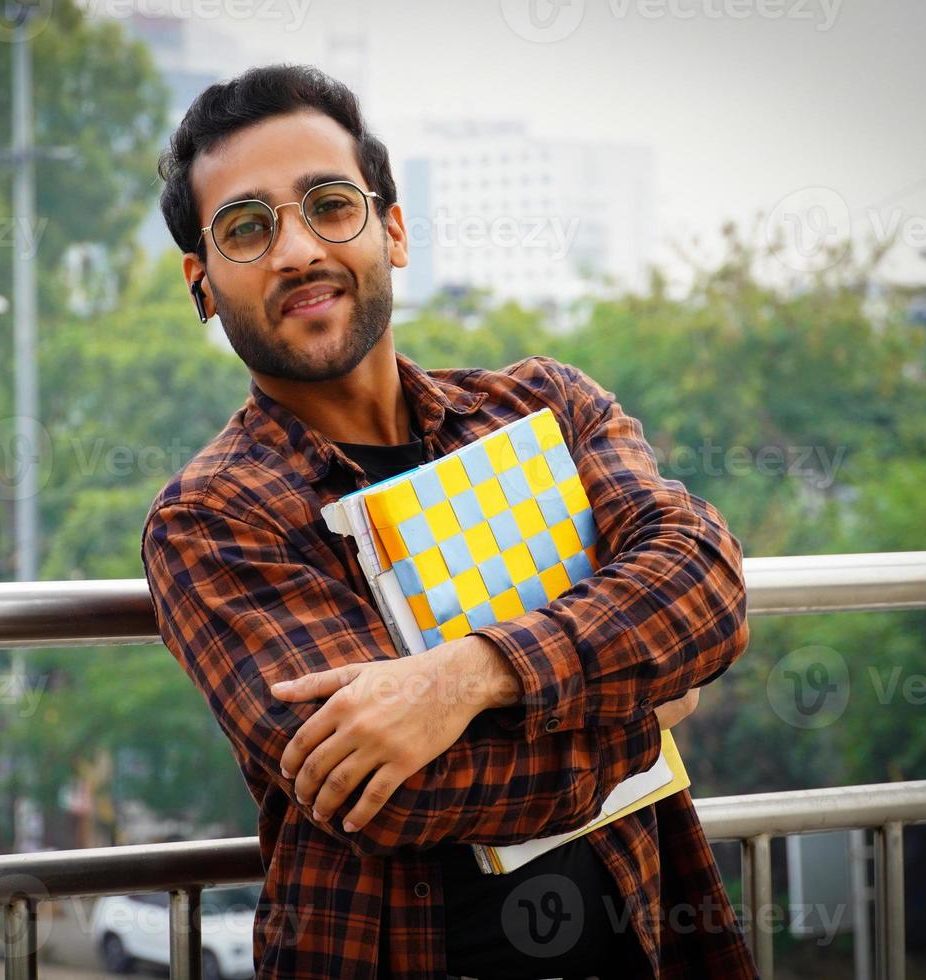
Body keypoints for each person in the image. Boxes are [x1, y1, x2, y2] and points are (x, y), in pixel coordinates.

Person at [140, 64, 756, 979]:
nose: (298, 249)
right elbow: (392, 794)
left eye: (331, 205)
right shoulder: (215, 518)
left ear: (391, 229)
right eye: (247, 227)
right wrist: (645, 713)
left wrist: (469, 678)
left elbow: (704, 582)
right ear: (202, 284)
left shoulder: (543, 410)